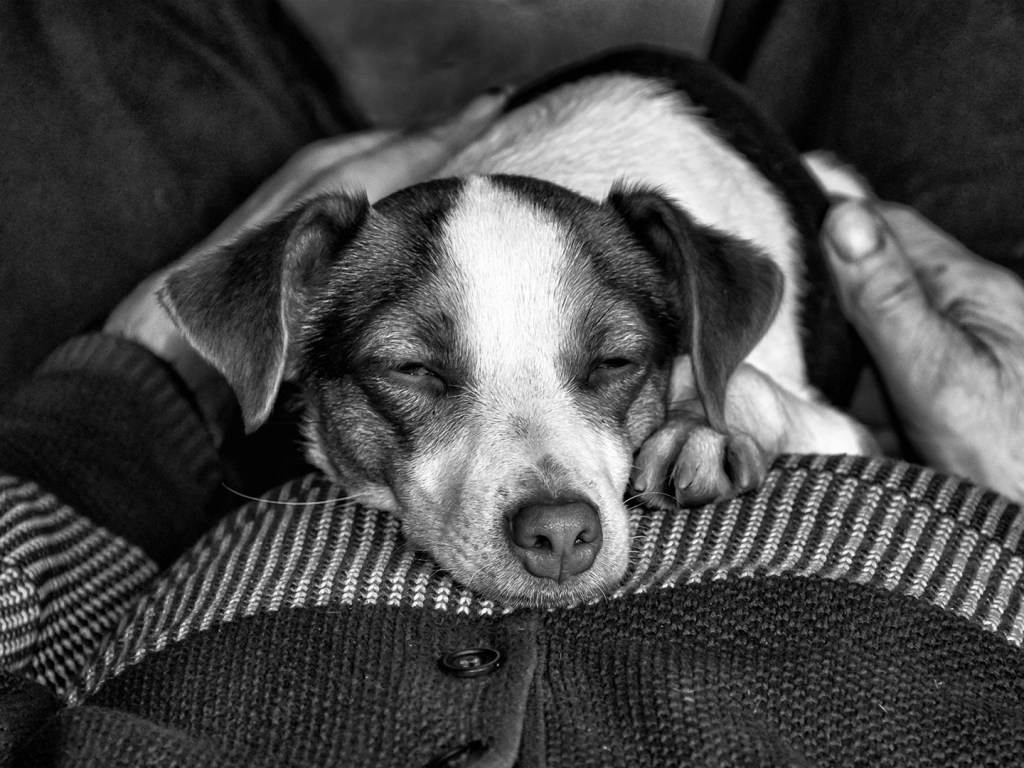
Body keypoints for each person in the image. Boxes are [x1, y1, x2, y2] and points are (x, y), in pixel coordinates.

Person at [1, 2, 1023, 766]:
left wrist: (131, 379)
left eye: (608, 366)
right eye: (418, 371)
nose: (554, 507)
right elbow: (848, 450)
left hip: (151, 426)